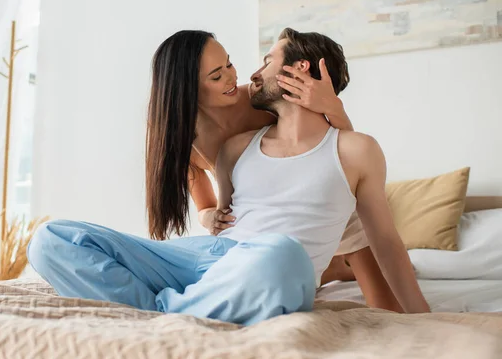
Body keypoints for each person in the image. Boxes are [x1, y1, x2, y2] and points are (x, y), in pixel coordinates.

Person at [27, 29, 414, 325]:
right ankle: (174, 312)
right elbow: (200, 180)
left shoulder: (349, 146)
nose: (241, 74)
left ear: (299, 71)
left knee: (287, 256)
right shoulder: (222, 142)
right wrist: (208, 211)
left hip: (284, 252)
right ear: (189, 91)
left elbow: (381, 232)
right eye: (218, 74)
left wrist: (334, 106)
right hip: (213, 255)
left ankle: (162, 310)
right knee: (51, 239)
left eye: (233, 62)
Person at [213, 28, 430, 314]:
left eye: (267, 61)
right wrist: (212, 215)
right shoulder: (234, 148)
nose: (252, 74)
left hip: (276, 269)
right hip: (216, 264)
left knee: (281, 253)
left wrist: (423, 315)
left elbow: (386, 240)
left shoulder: (357, 151)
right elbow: (220, 225)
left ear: (300, 68)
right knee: (131, 253)